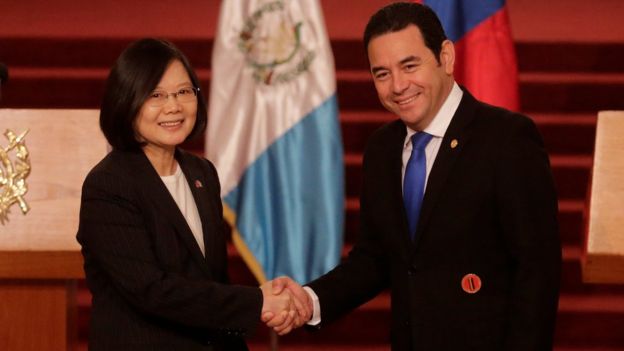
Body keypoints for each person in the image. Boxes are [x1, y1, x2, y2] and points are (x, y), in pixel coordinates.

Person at [267, 2, 562, 350]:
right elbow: (375, 258)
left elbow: (537, 270)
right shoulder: (381, 148)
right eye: (382, 73)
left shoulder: (506, 138)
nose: (398, 85)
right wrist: (311, 300)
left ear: (446, 57)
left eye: (410, 66)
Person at [76, 38, 300, 351]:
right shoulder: (109, 185)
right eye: (156, 95)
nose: (174, 107)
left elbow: (211, 282)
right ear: (126, 101)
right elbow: (151, 290)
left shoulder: (201, 173)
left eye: (184, 92)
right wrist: (257, 301)